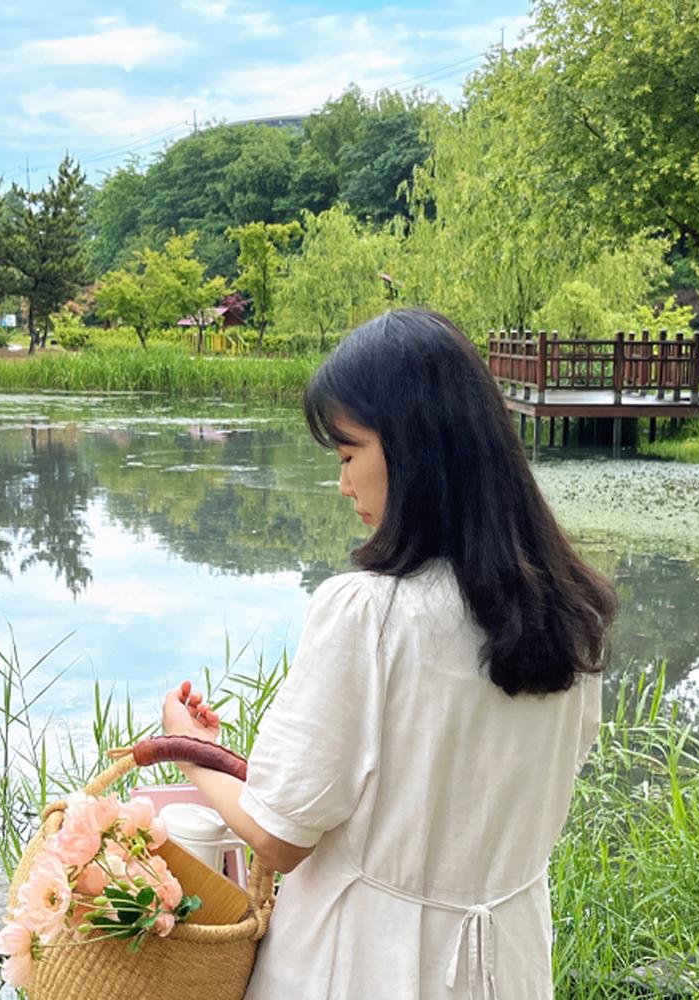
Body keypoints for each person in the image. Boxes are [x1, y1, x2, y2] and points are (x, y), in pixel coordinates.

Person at [161, 308, 616, 999]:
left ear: (414, 448)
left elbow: (283, 839)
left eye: (348, 455)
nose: (343, 483)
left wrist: (188, 750)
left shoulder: (369, 613)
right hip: (506, 964)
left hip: (366, 963)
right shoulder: (572, 613)